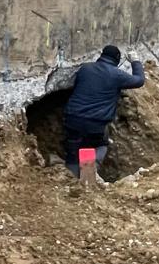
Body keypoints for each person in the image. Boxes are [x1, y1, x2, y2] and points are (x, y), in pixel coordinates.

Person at [62, 45, 145, 177]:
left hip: (72, 119)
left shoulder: (85, 68)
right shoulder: (117, 75)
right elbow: (139, 80)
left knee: (73, 153)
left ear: (102, 55)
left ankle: (69, 180)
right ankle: (87, 178)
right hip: (95, 124)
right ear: (117, 59)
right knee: (98, 147)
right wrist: (135, 61)